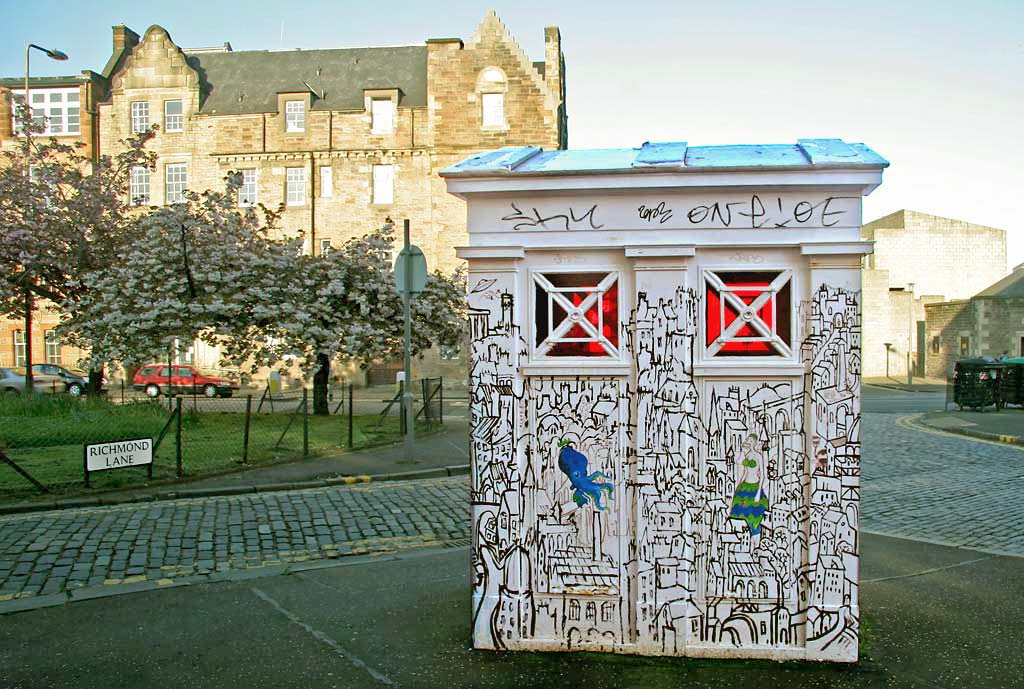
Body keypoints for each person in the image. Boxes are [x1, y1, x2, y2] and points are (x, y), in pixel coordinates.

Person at [729, 435, 770, 548]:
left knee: (754, 515)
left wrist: (758, 493)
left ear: (755, 443)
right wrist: (738, 486)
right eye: (748, 440)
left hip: (754, 487)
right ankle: (739, 541)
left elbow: (762, 476)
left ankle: (755, 544)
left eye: (751, 441)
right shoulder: (747, 455)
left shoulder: (758, 456)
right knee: (739, 512)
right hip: (744, 487)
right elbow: (745, 473)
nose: (749, 442)